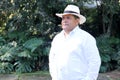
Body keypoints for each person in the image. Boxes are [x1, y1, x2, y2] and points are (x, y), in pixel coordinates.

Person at [49, 4, 101, 80]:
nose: (64, 20)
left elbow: (94, 62)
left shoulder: (86, 38)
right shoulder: (57, 39)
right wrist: (55, 77)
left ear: (77, 21)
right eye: (63, 18)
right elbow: (52, 61)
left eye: (68, 18)